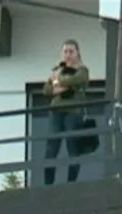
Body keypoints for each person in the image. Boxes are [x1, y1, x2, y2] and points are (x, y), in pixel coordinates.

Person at [43, 40, 90, 186]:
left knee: (73, 146)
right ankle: (48, 184)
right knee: (51, 148)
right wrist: (63, 85)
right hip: (56, 111)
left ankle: (71, 184)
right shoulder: (58, 69)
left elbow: (78, 79)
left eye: (71, 51)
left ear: (77, 53)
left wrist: (57, 80)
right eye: (65, 52)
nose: (68, 55)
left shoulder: (82, 70)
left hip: (73, 112)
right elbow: (46, 90)